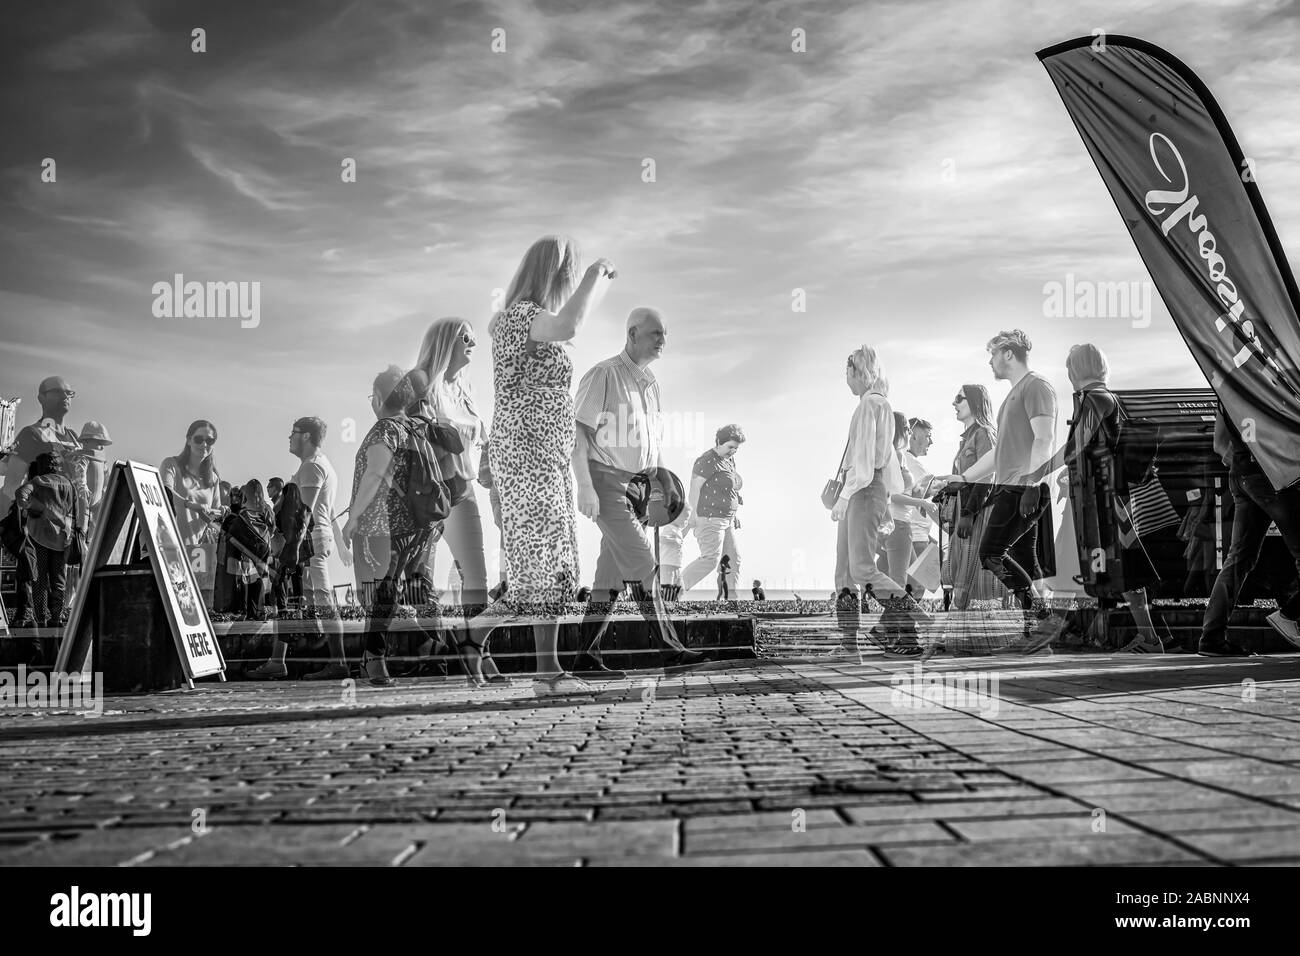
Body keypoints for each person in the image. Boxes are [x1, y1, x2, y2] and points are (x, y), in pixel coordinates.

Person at [480, 235, 618, 696]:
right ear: (555, 276)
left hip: (543, 452)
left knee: (549, 559)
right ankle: (545, 668)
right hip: (527, 453)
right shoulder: (522, 317)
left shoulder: (524, 319)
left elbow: (568, 321)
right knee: (543, 559)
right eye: (568, 276)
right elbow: (569, 326)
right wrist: (596, 275)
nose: (571, 284)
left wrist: (598, 283)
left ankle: (478, 637)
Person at [571, 307, 703, 679]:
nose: (663, 340)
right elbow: (577, 436)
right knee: (644, 565)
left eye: (665, 334)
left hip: (638, 487)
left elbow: (651, 443)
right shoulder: (604, 374)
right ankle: (671, 651)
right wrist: (584, 486)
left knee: (609, 578)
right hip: (605, 480)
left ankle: (585, 657)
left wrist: (662, 486)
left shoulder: (652, 384)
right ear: (632, 334)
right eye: (656, 333)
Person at [1028, 345, 1171, 653]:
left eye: (1068, 368)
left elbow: (1076, 445)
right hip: (1106, 499)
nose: (1066, 374)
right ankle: (1149, 638)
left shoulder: (1094, 399)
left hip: (1096, 504)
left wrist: (1042, 470)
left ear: (1076, 369)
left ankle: (1049, 636)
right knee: (1118, 567)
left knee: (1084, 565)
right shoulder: (1109, 398)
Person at [950, 330, 1059, 653]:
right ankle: (1036, 638)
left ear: (1008, 354)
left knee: (990, 554)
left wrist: (1031, 484)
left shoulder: (1037, 386)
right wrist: (964, 478)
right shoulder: (1012, 397)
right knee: (1025, 558)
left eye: (993, 354)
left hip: (1021, 489)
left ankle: (1043, 618)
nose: (990, 361)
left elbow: (1044, 440)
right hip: (1010, 487)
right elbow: (998, 457)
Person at [412, 317, 502, 683]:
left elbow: (483, 441)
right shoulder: (420, 383)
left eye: (474, 337)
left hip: (463, 493)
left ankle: (478, 654)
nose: (473, 343)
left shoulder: (464, 389)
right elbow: (402, 431)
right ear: (445, 341)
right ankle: (386, 655)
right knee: (416, 579)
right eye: (466, 337)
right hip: (429, 496)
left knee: (477, 577)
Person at [341, 367, 442, 685]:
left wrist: (352, 517)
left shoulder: (385, 428)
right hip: (415, 529)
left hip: (386, 529)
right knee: (411, 594)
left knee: (381, 597)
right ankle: (440, 650)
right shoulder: (415, 428)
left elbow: (375, 471)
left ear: (381, 397)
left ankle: (375, 660)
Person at [1199, 402, 1300, 655]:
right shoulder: (1266, 387)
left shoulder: (1225, 390)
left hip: (1241, 475)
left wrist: (1245, 463)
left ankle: (1211, 638)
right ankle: (1290, 614)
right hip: (1273, 476)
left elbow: (1219, 445)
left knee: (1239, 558)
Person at [936, 385, 1006, 611]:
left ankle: (1033, 612)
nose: (954, 403)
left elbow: (988, 476)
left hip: (979, 514)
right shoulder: (967, 438)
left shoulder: (984, 433)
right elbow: (965, 480)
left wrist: (968, 514)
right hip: (965, 514)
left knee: (972, 575)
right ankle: (959, 631)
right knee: (962, 573)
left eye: (959, 398)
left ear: (975, 402)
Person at [160, 420, 223, 608]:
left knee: (190, 603)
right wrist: (190, 505)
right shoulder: (171, 464)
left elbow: (217, 512)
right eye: (199, 439)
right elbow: (165, 491)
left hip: (197, 551)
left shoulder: (213, 478)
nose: (204, 444)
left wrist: (220, 512)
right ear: (188, 440)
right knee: (170, 601)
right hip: (170, 546)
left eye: (210, 441)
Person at [0, 377, 82, 518]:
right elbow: (11, 487)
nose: (65, 396)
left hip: (71, 527)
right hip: (39, 528)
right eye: (57, 392)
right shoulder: (31, 434)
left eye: (69, 393)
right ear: (41, 398)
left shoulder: (75, 439)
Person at [12, 452, 76, 632]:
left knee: (39, 578)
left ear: (42, 466)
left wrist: (36, 507)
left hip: (39, 537)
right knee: (59, 579)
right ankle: (56, 617)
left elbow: (20, 494)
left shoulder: (38, 481)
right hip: (62, 538)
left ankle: (41, 617)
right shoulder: (68, 484)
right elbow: (74, 510)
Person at [679, 425, 746, 596]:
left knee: (732, 560)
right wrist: (692, 516)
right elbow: (694, 488)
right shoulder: (707, 460)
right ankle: (672, 592)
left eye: (736, 448)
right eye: (730, 447)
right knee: (710, 560)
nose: (733, 451)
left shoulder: (729, 460)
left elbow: (730, 488)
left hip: (727, 520)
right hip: (709, 518)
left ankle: (732, 601)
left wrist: (735, 513)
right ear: (718, 442)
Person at [70, 421, 112, 539]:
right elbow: (80, 473)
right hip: (84, 497)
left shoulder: (102, 461)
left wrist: (105, 491)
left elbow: (107, 478)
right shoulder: (82, 457)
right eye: (98, 442)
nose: (101, 446)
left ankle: (90, 544)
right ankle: (80, 541)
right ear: (87, 442)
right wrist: (83, 487)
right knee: (82, 524)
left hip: (98, 500)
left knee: (97, 528)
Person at [658, 500, 690, 601]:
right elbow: (662, 538)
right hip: (667, 564)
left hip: (676, 565)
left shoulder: (678, 530)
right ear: (675, 517)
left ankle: (675, 601)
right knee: (668, 586)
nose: (686, 521)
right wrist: (673, 540)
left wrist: (688, 527)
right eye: (685, 518)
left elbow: (681, 537)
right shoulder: (670, 527)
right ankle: (667, 602)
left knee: (680, 588)